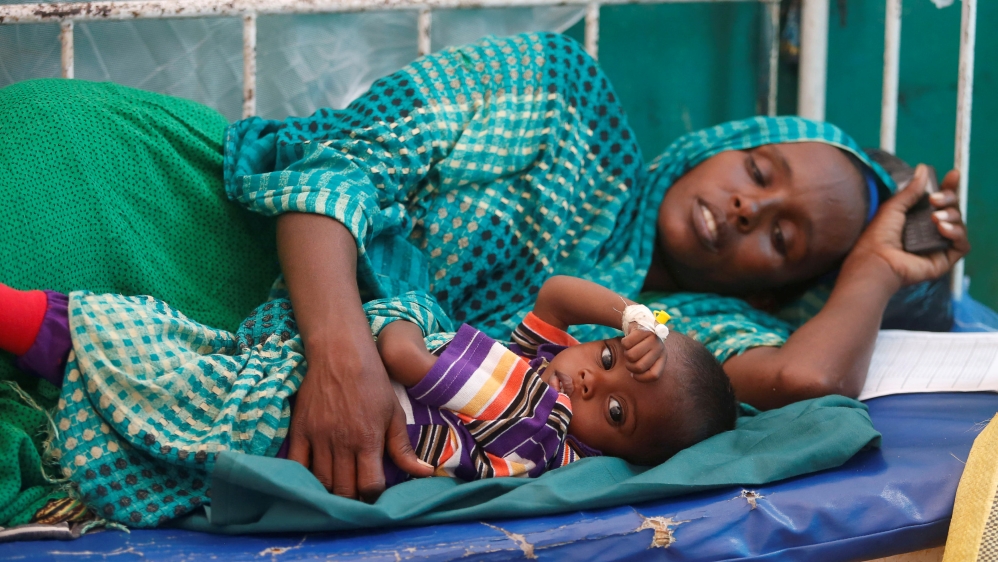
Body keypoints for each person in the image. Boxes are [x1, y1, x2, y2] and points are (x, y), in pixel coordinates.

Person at [222, 31, 968, 501]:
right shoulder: (556, 98)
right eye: (759, 169)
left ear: (782, 287)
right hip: (209, 217)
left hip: (235, 359)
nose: (748, 208)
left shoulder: (691, 342)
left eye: (783, 239)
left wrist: (875, 266)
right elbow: (331, 170)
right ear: (727, 140)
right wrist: (341, 354)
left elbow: (811, 380)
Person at [0, 274, 735, 527]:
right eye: (605, 359)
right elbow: (554, 296)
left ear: (617, 453)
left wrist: (407, 323)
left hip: (303, 427)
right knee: (172, 356)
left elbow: (401, 356)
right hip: (309, 401)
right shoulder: (546, 363)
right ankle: (40, 331)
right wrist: (638, 318)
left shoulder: (541, 429)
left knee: (152, 356)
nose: (592, 382)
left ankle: (28, 319)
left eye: (616, 412)